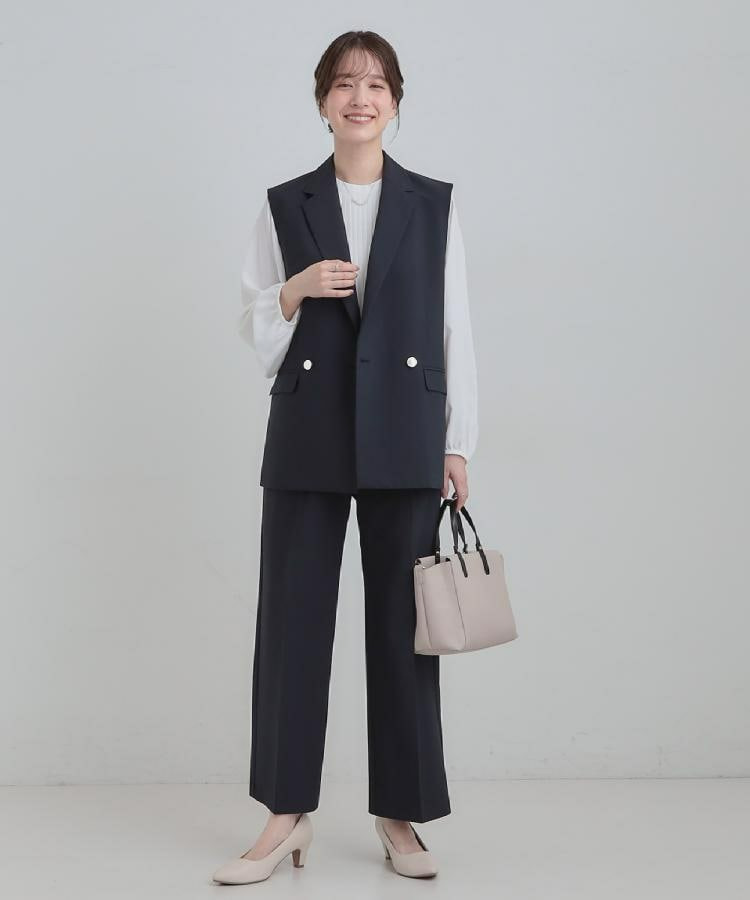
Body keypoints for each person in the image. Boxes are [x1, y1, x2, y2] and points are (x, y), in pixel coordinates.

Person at [213, 29, 478, 885]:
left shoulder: (432, 204)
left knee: (405, 630)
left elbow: (456, 327)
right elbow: (255, 323)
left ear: (395, 101)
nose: (360, 98)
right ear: (323, 100)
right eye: (344, 84)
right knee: (290, 626)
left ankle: (399, 813)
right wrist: (294, 290)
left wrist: (458, 441)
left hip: (407, 431)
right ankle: (285, 815)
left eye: (376, 84)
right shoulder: (284, 203)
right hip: (309, 430)